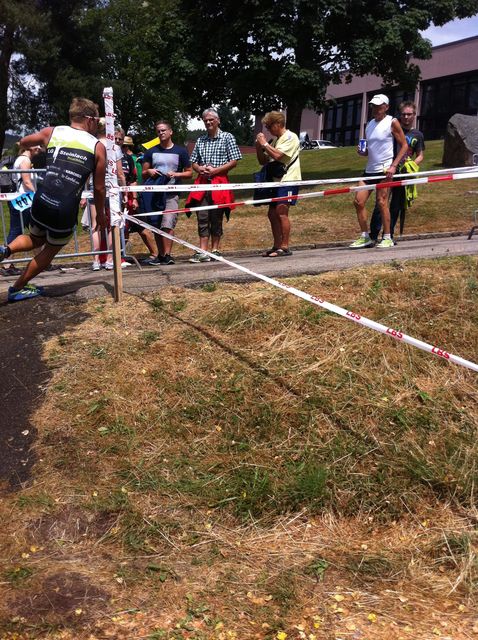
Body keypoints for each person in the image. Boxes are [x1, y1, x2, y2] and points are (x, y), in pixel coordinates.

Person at [0, 97, 106, 302]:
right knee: (49, 250)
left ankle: (6, 250)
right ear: (89, 119)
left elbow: (24, 142)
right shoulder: (97, 147)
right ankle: (17, 288)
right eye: (96, 120)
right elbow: (99, 188)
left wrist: (41, 145)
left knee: (35, 238)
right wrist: (100, 215)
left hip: (42, 198)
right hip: (64, 207)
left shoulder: (52, 132)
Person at [350, 94, 408, 249]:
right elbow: (370, 150)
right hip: (369, 169)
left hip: (384, 170)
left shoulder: (392, 122)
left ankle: (387, 237)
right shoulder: (369, 124)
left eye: (379, 106)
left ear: (386, 107)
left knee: (382, 202)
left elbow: (404, 145)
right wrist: (363, 152)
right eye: (373, 106)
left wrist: (394, 165)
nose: (375, 109)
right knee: (358, 202)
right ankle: (365, 236)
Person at [186, 108, 242, 263]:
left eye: (211, 119)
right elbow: (193, 162)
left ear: (218, 120)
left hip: (219, 182)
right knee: (202, 216)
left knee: (217, 216)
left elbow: (234, 161)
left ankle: (215, 250)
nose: (208, 122)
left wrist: (216, 170)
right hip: (203, 183)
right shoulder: (200, 140)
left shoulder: (227, 137)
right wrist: (199, 168)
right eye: (206, 120)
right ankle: (202, 251)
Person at [369, 101, 425, 242]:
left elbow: (420, 155)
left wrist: (411, 165)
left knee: (396, 206)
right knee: (380, 203)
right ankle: (373, 235)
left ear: (414, 115)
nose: (406, 117)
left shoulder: (417, 134)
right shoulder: (392, 126)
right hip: (387, 170)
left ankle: (388, 236)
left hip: (402, 173)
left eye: (409, 114)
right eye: (403, 114)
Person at [141, 120, 192, 265]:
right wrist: (149, 171)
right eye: (158, 131)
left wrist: (177, 174)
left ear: (170, 132)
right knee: (156, 224)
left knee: (168, 222)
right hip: (155, 193)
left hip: (171, 193)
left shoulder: (181, 151)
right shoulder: (151, 152)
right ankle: (161, 255)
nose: (161, 133)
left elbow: (189, 173)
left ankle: (168, 255)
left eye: (163, 130)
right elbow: (143, 173)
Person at [82, 118, 127, 270]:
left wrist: (84, 192)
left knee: (95, 226)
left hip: (94, 189)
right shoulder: (114, 147)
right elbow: (120, 173)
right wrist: (125, 191)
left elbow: (87, 172)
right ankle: (109, 259)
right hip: (112, 189)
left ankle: (96, 260)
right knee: (112, 224)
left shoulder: (91, 145)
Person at [255, 111, 301, 257]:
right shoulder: (275, 140)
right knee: (272, 214)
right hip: (275, 181)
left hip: (288, 180)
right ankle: (276, 245)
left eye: (269, 126)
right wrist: (259, 148)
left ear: (279, 124)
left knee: (281, 212)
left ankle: (285, 246)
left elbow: (278, 156)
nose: (267, 129)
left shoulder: (291, 137)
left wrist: (264, 144)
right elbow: (263, 161)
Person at [1, 143, 43, 276]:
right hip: (24, 200)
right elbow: (27, 182)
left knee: (36, 230)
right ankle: (6, 264)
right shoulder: (25, 160)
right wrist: (37, 195)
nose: (39, 148)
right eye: (37, 146)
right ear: (30, 147)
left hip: (22, 200)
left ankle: (42, 261)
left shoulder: (21, 159)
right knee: (18, 231)